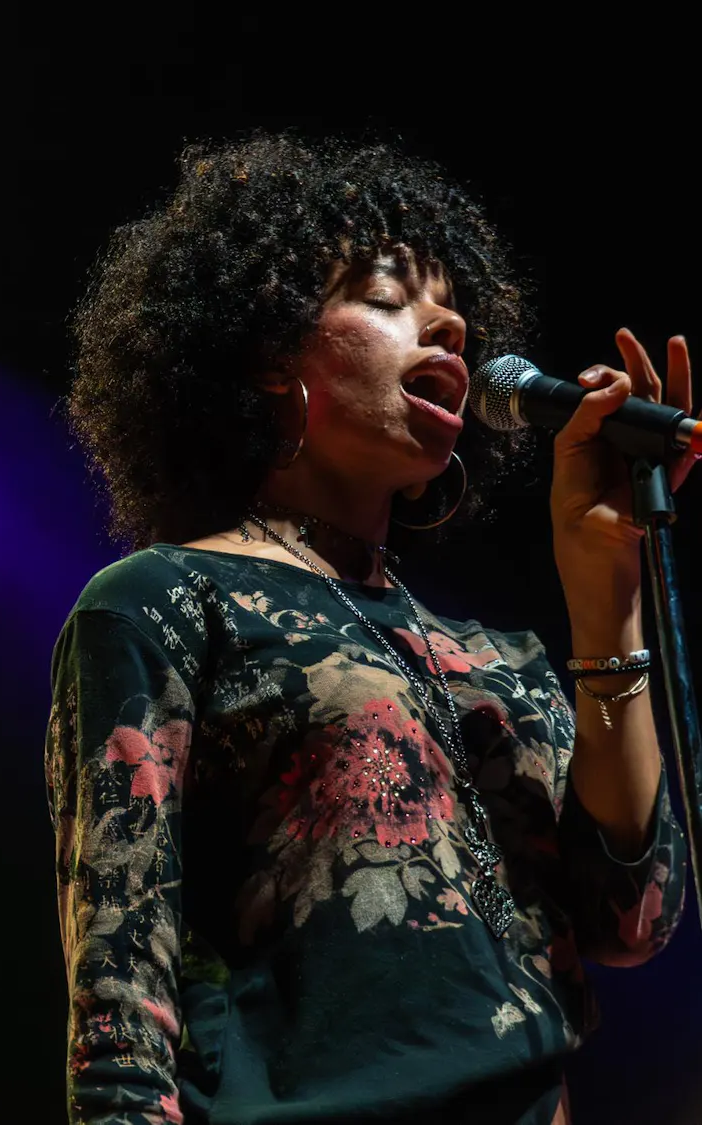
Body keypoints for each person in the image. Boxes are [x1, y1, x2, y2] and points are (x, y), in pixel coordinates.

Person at [45, 130, 693, 1125]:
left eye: (454, 311)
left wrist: (607, 589)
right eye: (388, 301)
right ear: (267, 356)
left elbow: (633, 919)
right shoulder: (163, 602)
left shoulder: (499, 661)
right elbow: (122, 1008)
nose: (448, 328)